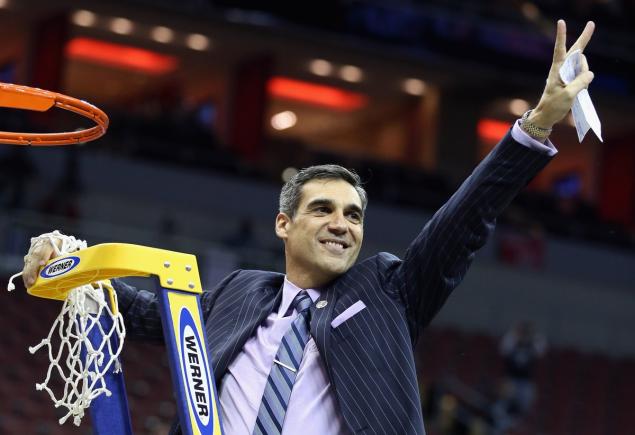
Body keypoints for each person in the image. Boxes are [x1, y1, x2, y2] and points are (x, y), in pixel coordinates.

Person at [20, 20, 595, 435]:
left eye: (354, 215)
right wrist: (67, 265)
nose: (342, 224)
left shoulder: (389, 293)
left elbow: (462, 224)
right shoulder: (237, 294)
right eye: (322, 209)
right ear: (283, 223)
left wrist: (536, 124)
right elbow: (143, 312)